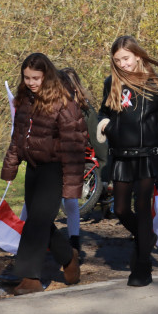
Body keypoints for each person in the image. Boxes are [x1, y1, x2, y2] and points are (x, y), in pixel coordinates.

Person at [96, 36, 158, 287]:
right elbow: (103, 112)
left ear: (137, 56)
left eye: (126, 59)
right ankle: (147, 237)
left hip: (147, 156)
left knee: (142, 209)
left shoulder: (155, 84)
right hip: (121, 156)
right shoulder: (112, 82)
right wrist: (105, 125)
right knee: (120, 209)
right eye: (117, 60)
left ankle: (141, 268)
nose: (123, 64)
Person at [1, 53, 87, 296]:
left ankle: (30, 277)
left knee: (37, 222)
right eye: (27, 77)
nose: (31, 82)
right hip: (33, 168)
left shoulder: (63, 102)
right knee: (40, 222)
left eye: (36, 78)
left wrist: (71, 185)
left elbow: (75, 145)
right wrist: (10, 167)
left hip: (55, 169)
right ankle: (68, 257)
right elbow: (18, 137)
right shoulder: (25, 99)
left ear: (46, 76)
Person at [59, 67, 98, 254]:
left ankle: (73, 245)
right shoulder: (56, 108)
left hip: (76, 159)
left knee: (71, 202)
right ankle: (22, 236)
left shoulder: (84, 109)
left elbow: (93, 136)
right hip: (61, 158)